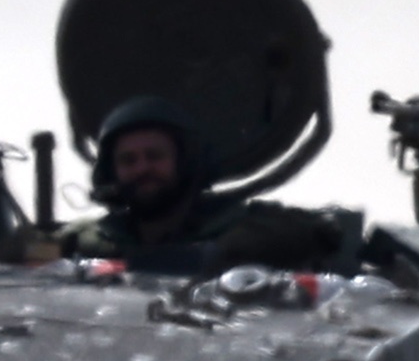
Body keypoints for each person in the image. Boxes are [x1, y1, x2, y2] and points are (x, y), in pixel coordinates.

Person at [59, 92, 364, 277]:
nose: (142, 169)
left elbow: (323, 231)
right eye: (128, 161)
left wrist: (228, 250)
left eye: (155, 156)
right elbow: (39, 248)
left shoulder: (232, 223)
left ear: (185, 162)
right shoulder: (99, 238)